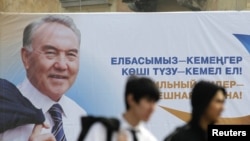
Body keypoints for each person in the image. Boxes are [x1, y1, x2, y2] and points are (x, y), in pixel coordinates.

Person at [0, 14, 86, 141]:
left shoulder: (80, 115)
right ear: (26, 57)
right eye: (50, 53)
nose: (62, 65)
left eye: (71, 55)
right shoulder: (3, 111)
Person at [84, 75, 160, 141]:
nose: (153, 108)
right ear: (131, 99)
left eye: (155, 102)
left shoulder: (149, 139)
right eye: (148, 101)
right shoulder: (102, 130)